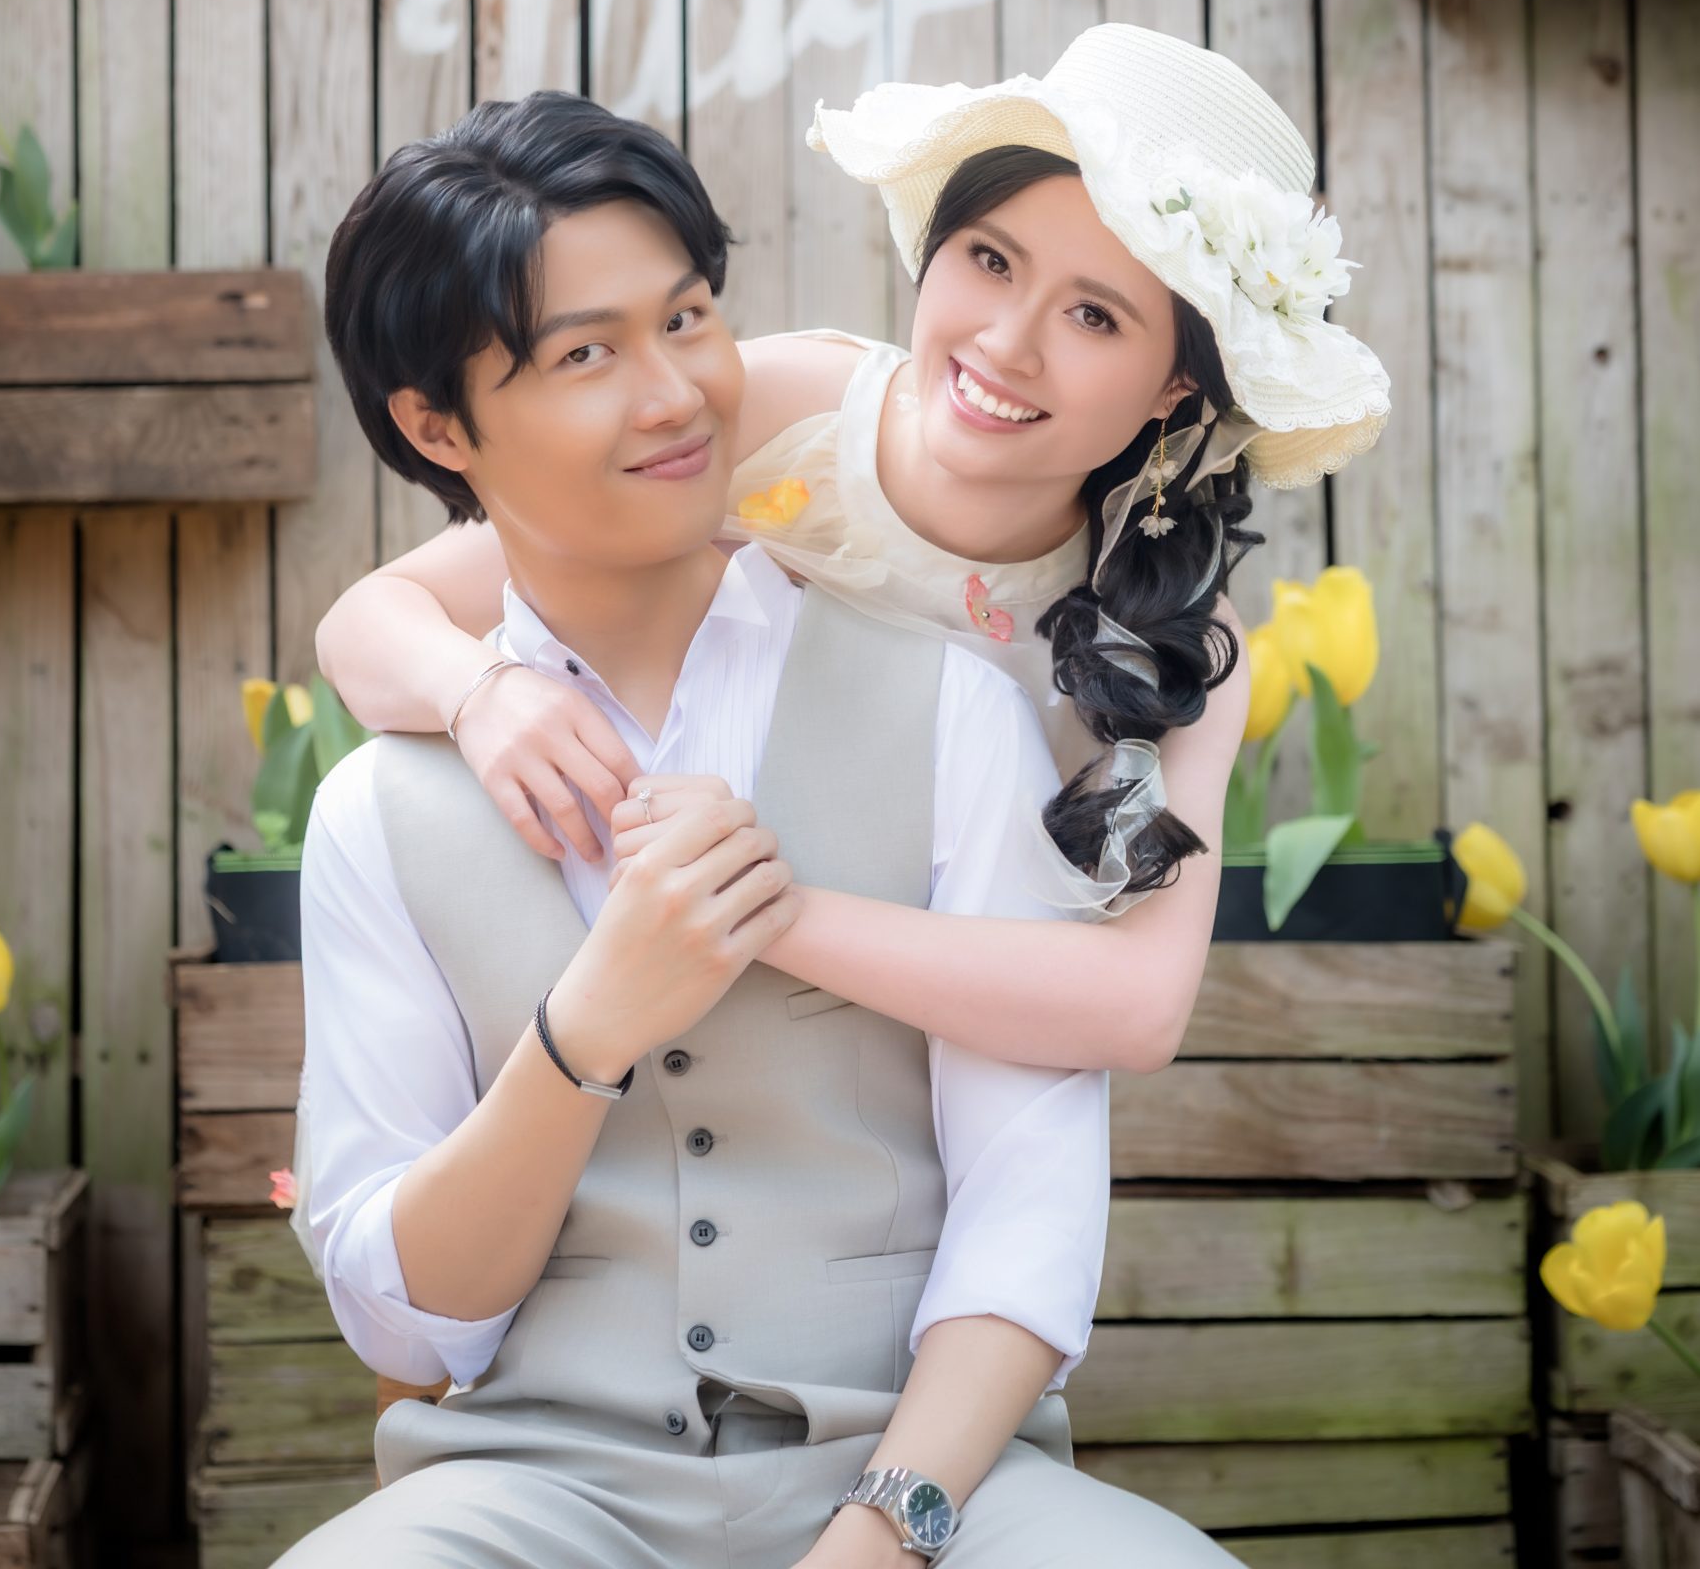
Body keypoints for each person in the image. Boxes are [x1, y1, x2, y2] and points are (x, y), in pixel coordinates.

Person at [280, 92, 1223, 1565]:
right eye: (585, 353)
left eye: (687, 319)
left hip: (932, 1478)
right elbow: (404, 1324)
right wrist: (585, 1025)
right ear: (435, 424)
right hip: (534, 1484)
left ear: (1172, 388)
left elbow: (1036, 1188)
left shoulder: (972, 709)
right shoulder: (380, 816)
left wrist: (886, 1530)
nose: (673, 396)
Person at [316, 25, 1389, 1075]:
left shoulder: (1176, 639)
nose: (1005, 343)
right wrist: (480, 693)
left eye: (1094, 318)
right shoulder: (780, 413)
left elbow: (1138, 1010)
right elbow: (369, 623)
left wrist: (763, 907)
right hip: (685, 1041)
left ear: (1177, 385)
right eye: (991, 260)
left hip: (960, 1090)